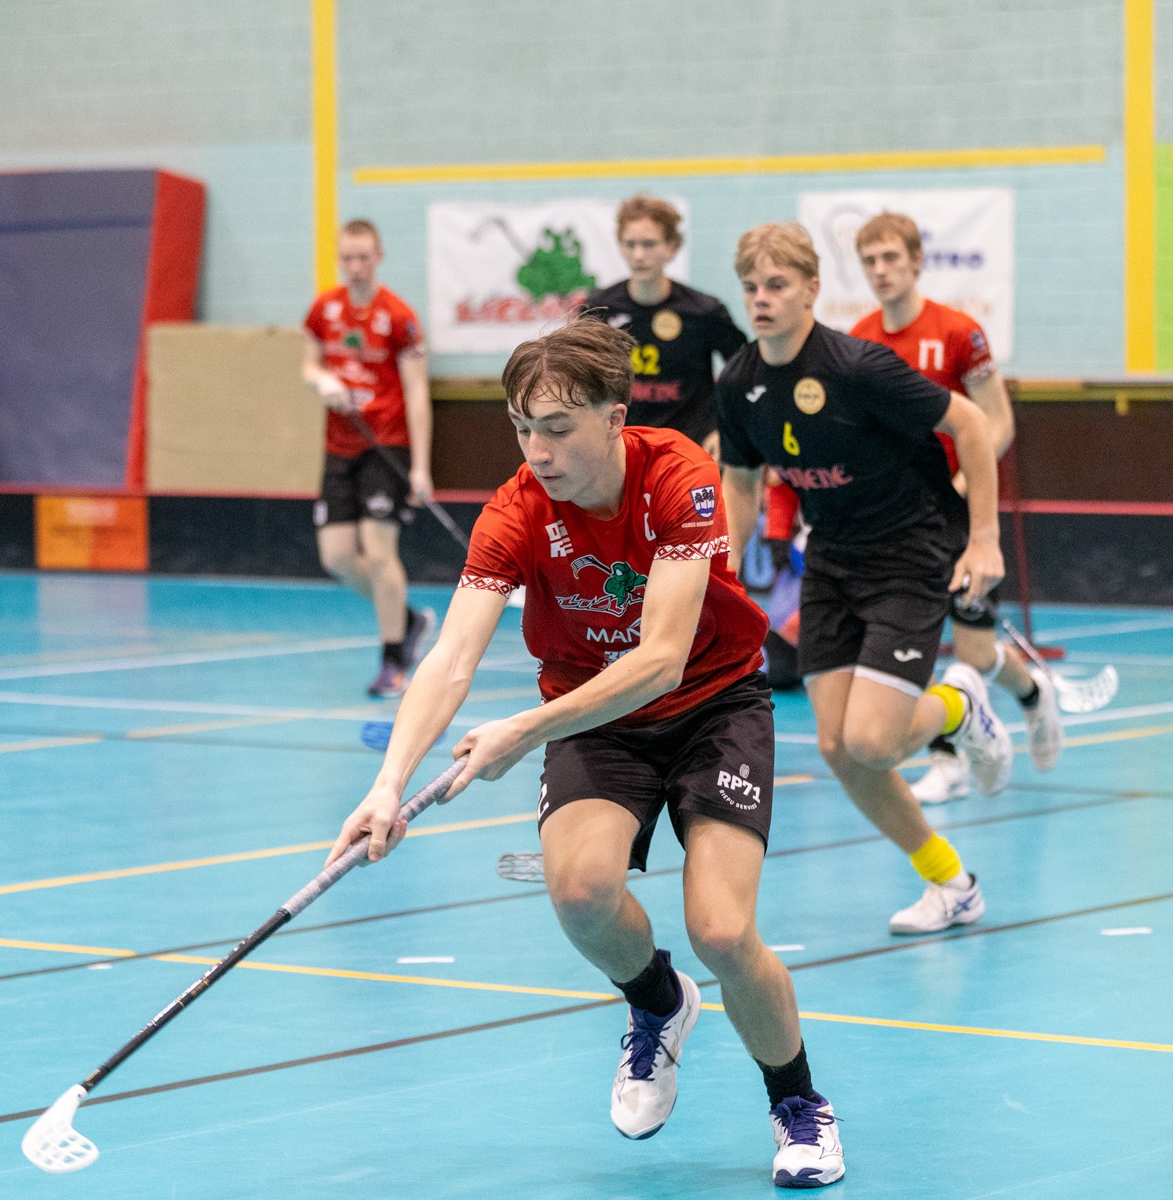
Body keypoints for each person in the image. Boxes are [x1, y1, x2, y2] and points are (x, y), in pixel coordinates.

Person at [328, 319, 845, 1188]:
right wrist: (388, 784)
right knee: (579, 893)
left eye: (558, 428)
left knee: (722, 931)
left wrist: (526, 728)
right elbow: (450, 659)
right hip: (597, 722)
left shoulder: (679, 475)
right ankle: (658, 1002)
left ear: (614, 417)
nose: (538, 451)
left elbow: (662, 659)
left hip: (713, 705)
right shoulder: (515, 512)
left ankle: (799, 1105)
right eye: (522, 428)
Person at [716, 221, 1012, 937]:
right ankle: (952, 883)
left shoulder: (858, 366)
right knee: (837, 750)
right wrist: (722, 572)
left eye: (777, 285)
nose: (761, 299)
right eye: (751, 287)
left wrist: (983, 539)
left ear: (811, 289)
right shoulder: (739, 384)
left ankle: (961, 704)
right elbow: (742, 483)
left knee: (875, 743)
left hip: (909, 552)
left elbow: (972, 426)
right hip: (832, 558)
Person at [848, 211, 1064, 803]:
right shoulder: (860, 339)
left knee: (975, 650)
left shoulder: (958, 333)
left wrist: (967, 483)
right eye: (870, 261)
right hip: (897, 520)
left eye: (891, 258)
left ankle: (1032, 693)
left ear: (916, 261)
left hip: (961, 512)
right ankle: (948, 763)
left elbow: (998, 421)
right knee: (909, 635)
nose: (881, 270)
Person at [302, 219, 437, 697]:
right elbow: (308, 363)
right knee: (337, 558)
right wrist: (322, 380)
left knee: (380, 554)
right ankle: (408, 619)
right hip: (338, 449)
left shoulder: (398, 317)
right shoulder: (324, 310)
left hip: (386, 445)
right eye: (348, 258)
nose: (355, 266)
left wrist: (421, 467)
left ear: (378, 258)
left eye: (363, 257)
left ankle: (393, 660)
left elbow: (417, 393)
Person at [584, 194, 747, 459]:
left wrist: (723, 429)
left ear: (671, 247)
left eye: (649, 244)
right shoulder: (599, 310)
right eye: (630, 244)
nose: (639, 254)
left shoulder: (704, 311)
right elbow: (580, 380)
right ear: (620, 246)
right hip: (622, 447)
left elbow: (745, 374)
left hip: (690, 447)